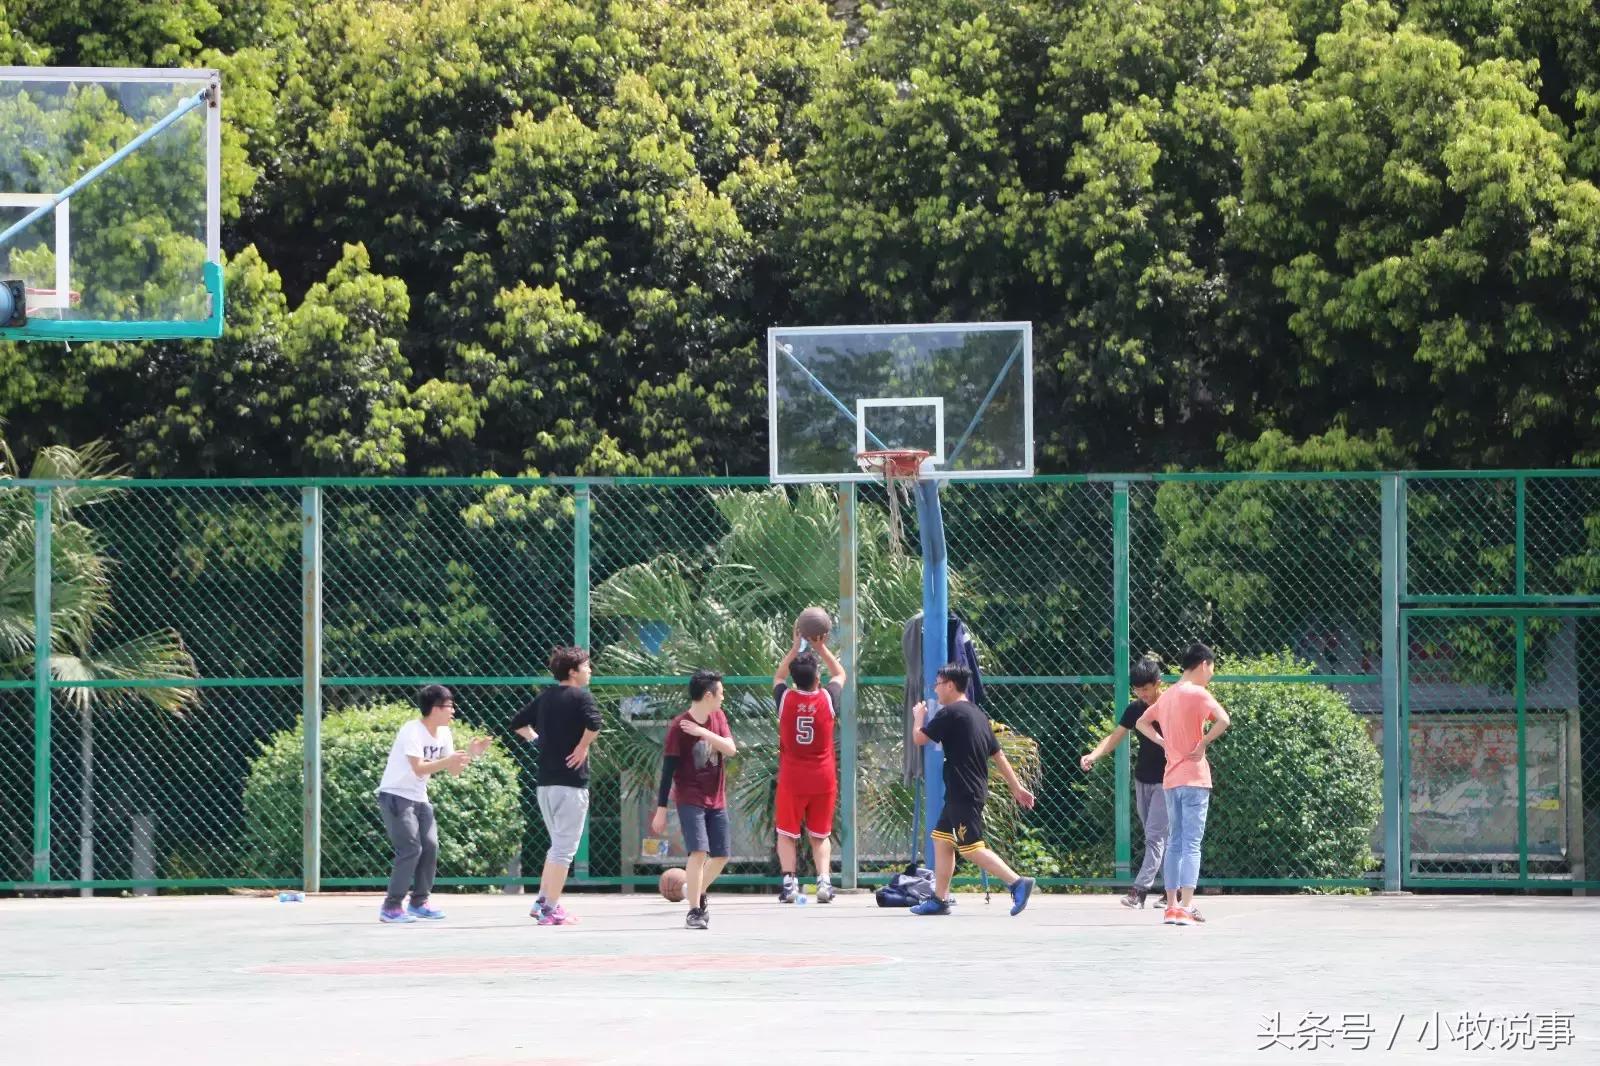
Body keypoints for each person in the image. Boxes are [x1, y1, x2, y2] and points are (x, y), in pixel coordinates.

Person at [911, 664, 1037, 916]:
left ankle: (1016, 882)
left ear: (949, 685)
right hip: (969, 790)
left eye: (937, 684)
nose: (935, 690)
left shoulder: (950, 713)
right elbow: (998, 755)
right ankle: (939, 899)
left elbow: (920, 739)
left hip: (963, 792)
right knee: (941, 838)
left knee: (971, 847)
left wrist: (918, 718)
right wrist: (1017, 787)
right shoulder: (978, 715)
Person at [375, 684, 491, 924]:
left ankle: (419, 902)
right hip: (396, 795)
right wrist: (449, 759)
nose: (453, 711)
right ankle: (391, 906)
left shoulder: (444, 734)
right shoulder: (412, 731)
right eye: (449, 706)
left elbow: (454, 770)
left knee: (430, 846)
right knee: (410, 849)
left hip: (420, 798)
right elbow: (419, 768)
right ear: (434, 708)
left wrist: (471, 753)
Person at [1137, 642, 1231, 927]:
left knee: (1174, 842)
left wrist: (1162, 742)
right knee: (1191, 843)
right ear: (1203, 664)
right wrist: (1202, 743)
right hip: (1195, 777)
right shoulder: (1199, 694)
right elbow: (1224, 720)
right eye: (1211, 669)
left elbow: (1142, 722)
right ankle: (1187, 906)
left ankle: (1172, 906)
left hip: (1171, 780)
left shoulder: (1166, 698)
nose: (1211, 674)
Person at [510, 646, 603, 926]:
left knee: (557, 847)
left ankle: (542, 902)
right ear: (573, 672)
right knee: (564, 850)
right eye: (586, 667)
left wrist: (537, 740)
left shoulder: (545, 697)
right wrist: (583, 747)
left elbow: (517, 723)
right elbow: (595, 723)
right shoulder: (581, 696)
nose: (590, 671)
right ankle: (551, 909)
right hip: (571, 785)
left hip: (546, 785)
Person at [651, 669, 737, 929]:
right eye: (721, 693)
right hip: (690, 797)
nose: (724, 697)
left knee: (721, 855)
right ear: (708, 695)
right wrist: (661, 809)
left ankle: (694, 890)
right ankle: (694, 911)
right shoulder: (678, 727)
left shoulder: (718, 717)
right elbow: (667, 771)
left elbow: (731, 749)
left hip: (716, 797)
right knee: (699, 851)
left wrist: (705, 733)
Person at [1080, 656, 1168, 908]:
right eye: (1138, 690)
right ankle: (1171, 890)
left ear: (1158, 683)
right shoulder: (1135, 709)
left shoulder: (1171, 705)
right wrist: (1093, 755)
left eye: (1146, 689)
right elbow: (1115, 736)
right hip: (1143, 779)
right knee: (1159, 836)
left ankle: (1139, 892)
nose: (1143, 694)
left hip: (1168, 780)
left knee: (1154, 836)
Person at [772, 629, 848, 903]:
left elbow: (778, 677)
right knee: (820, 833)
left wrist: (795, 648)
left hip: (793, 777)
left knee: (786, 833)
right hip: (822, 777)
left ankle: (790, 884)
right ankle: (824, 883)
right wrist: (822, 648)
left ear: (794, 679)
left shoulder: (786, 699)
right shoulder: (827, 699)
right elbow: (840, 674)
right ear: (817, 677)